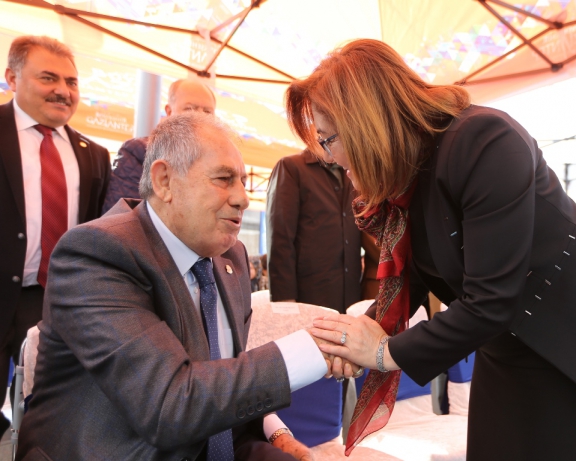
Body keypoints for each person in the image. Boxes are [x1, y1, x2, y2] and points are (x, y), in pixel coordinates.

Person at [287, 39, 576, 461]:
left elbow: (492, 299)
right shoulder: (411, 177)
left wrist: (383, 353)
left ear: (364, 124)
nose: (329, 157)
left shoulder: (483, 140)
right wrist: (350, 339)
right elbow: (409, 282)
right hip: (504, 350)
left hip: (572, 353)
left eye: (327, 139)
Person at [17, 112, 356, 461]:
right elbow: (169, 405)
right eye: (224, 179)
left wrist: (276, 432)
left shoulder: (232, 258)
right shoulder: (96, 254)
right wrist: (317, 347)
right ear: (164, 181)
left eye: (243, 181)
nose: (243, 198)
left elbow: (222, 379)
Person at [0, 35, 110, 437]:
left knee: (48, 416)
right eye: (48, 78)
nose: (63, 90)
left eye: (72, 82)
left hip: (54, 303)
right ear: (12, 78)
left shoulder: (93, 155)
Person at [267, 149, 361, 313]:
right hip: (309, 296)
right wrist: (285, 301)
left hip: (351, 297)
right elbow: (280, 237)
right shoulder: (291, 167)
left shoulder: (351, 172)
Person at [102, 78, 216, 213]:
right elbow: (121, 215)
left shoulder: (216, 161)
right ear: (169, 112)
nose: (200, 116)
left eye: (207, 111)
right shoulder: (139, 152)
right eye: (189, 108)